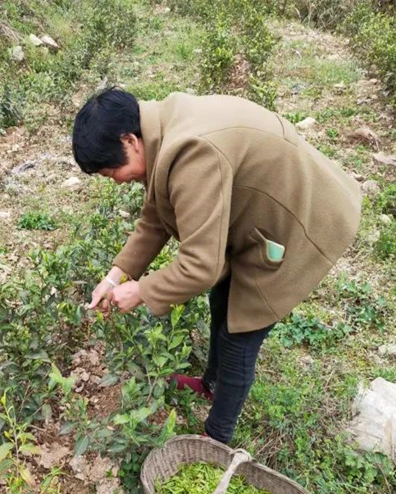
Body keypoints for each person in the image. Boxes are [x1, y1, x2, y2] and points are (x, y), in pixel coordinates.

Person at [73, 88, 361, 444]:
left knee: (241, 330)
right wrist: (114, 277)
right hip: (263, 209)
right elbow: (156, 218)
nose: (116, 180)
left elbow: (200, 266)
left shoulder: (192, 152)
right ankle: (210, 384)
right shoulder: (160, 129)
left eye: (112, 170)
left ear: (130, 140)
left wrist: (141, 291)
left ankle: (216, 439)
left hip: (302, 216)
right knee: (221, 299)